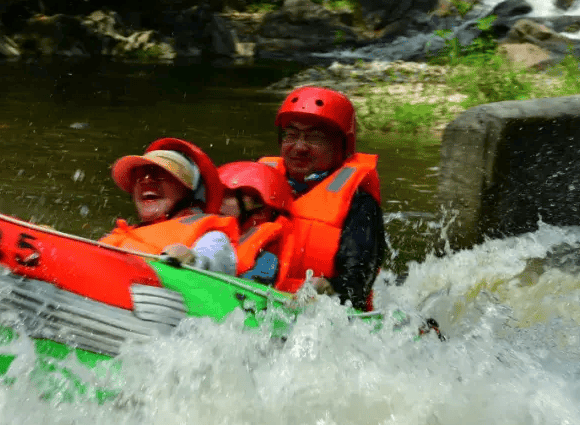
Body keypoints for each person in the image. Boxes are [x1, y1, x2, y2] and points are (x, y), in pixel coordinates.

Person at [260, 85, 386, 310]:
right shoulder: (257, 183)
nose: (299, 147)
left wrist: (328, 287)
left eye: (314, 138)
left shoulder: (360, 205)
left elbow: (356, 288)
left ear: (342, 146)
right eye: (291, 135)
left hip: (318, 316)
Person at [100, 137, 239, 276]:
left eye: (160, 174)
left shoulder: (212, 237)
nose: (146, 181)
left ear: (187, 191)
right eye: (139, 176)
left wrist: (193, 260)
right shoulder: (123, 234)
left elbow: (216, 273)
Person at [217, 161, 293, 285]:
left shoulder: (266, 262)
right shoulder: (207, 233)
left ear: (260, 209)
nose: (219, 199)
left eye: (228, 194)